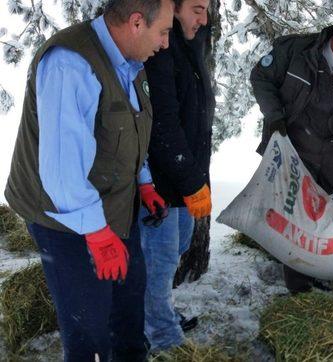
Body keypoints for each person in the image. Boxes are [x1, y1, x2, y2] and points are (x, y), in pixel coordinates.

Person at [4, 0, 174, 359]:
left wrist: (143, 181)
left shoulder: (131, 61)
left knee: (128, 310)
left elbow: (127, 128)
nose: (165, 43)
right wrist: (98, 235)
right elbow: (62, 171)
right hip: (65, 219)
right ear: (137, 23)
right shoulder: (71, 64)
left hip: (114, 205)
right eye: (164, 32)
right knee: (89, 329)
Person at [250, 1, 333, 294]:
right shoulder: (296, 52)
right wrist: (274, 117)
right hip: (296, 152)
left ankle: (323, 272)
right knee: (296, 222)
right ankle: (300, 292)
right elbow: (261, 78)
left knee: (331, 221)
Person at [140, 0, 213, 352]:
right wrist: (189, 181)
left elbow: (195, 121)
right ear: (174, 8)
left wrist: (197, 181)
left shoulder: (189, 49)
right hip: (159, 185)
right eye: (197, 8)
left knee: (177, 250)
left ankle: (157, 314)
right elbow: (163, 127)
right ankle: (163, 339)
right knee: (160, 262)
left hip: (186, 180)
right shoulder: (160, 53)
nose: (205, 17)